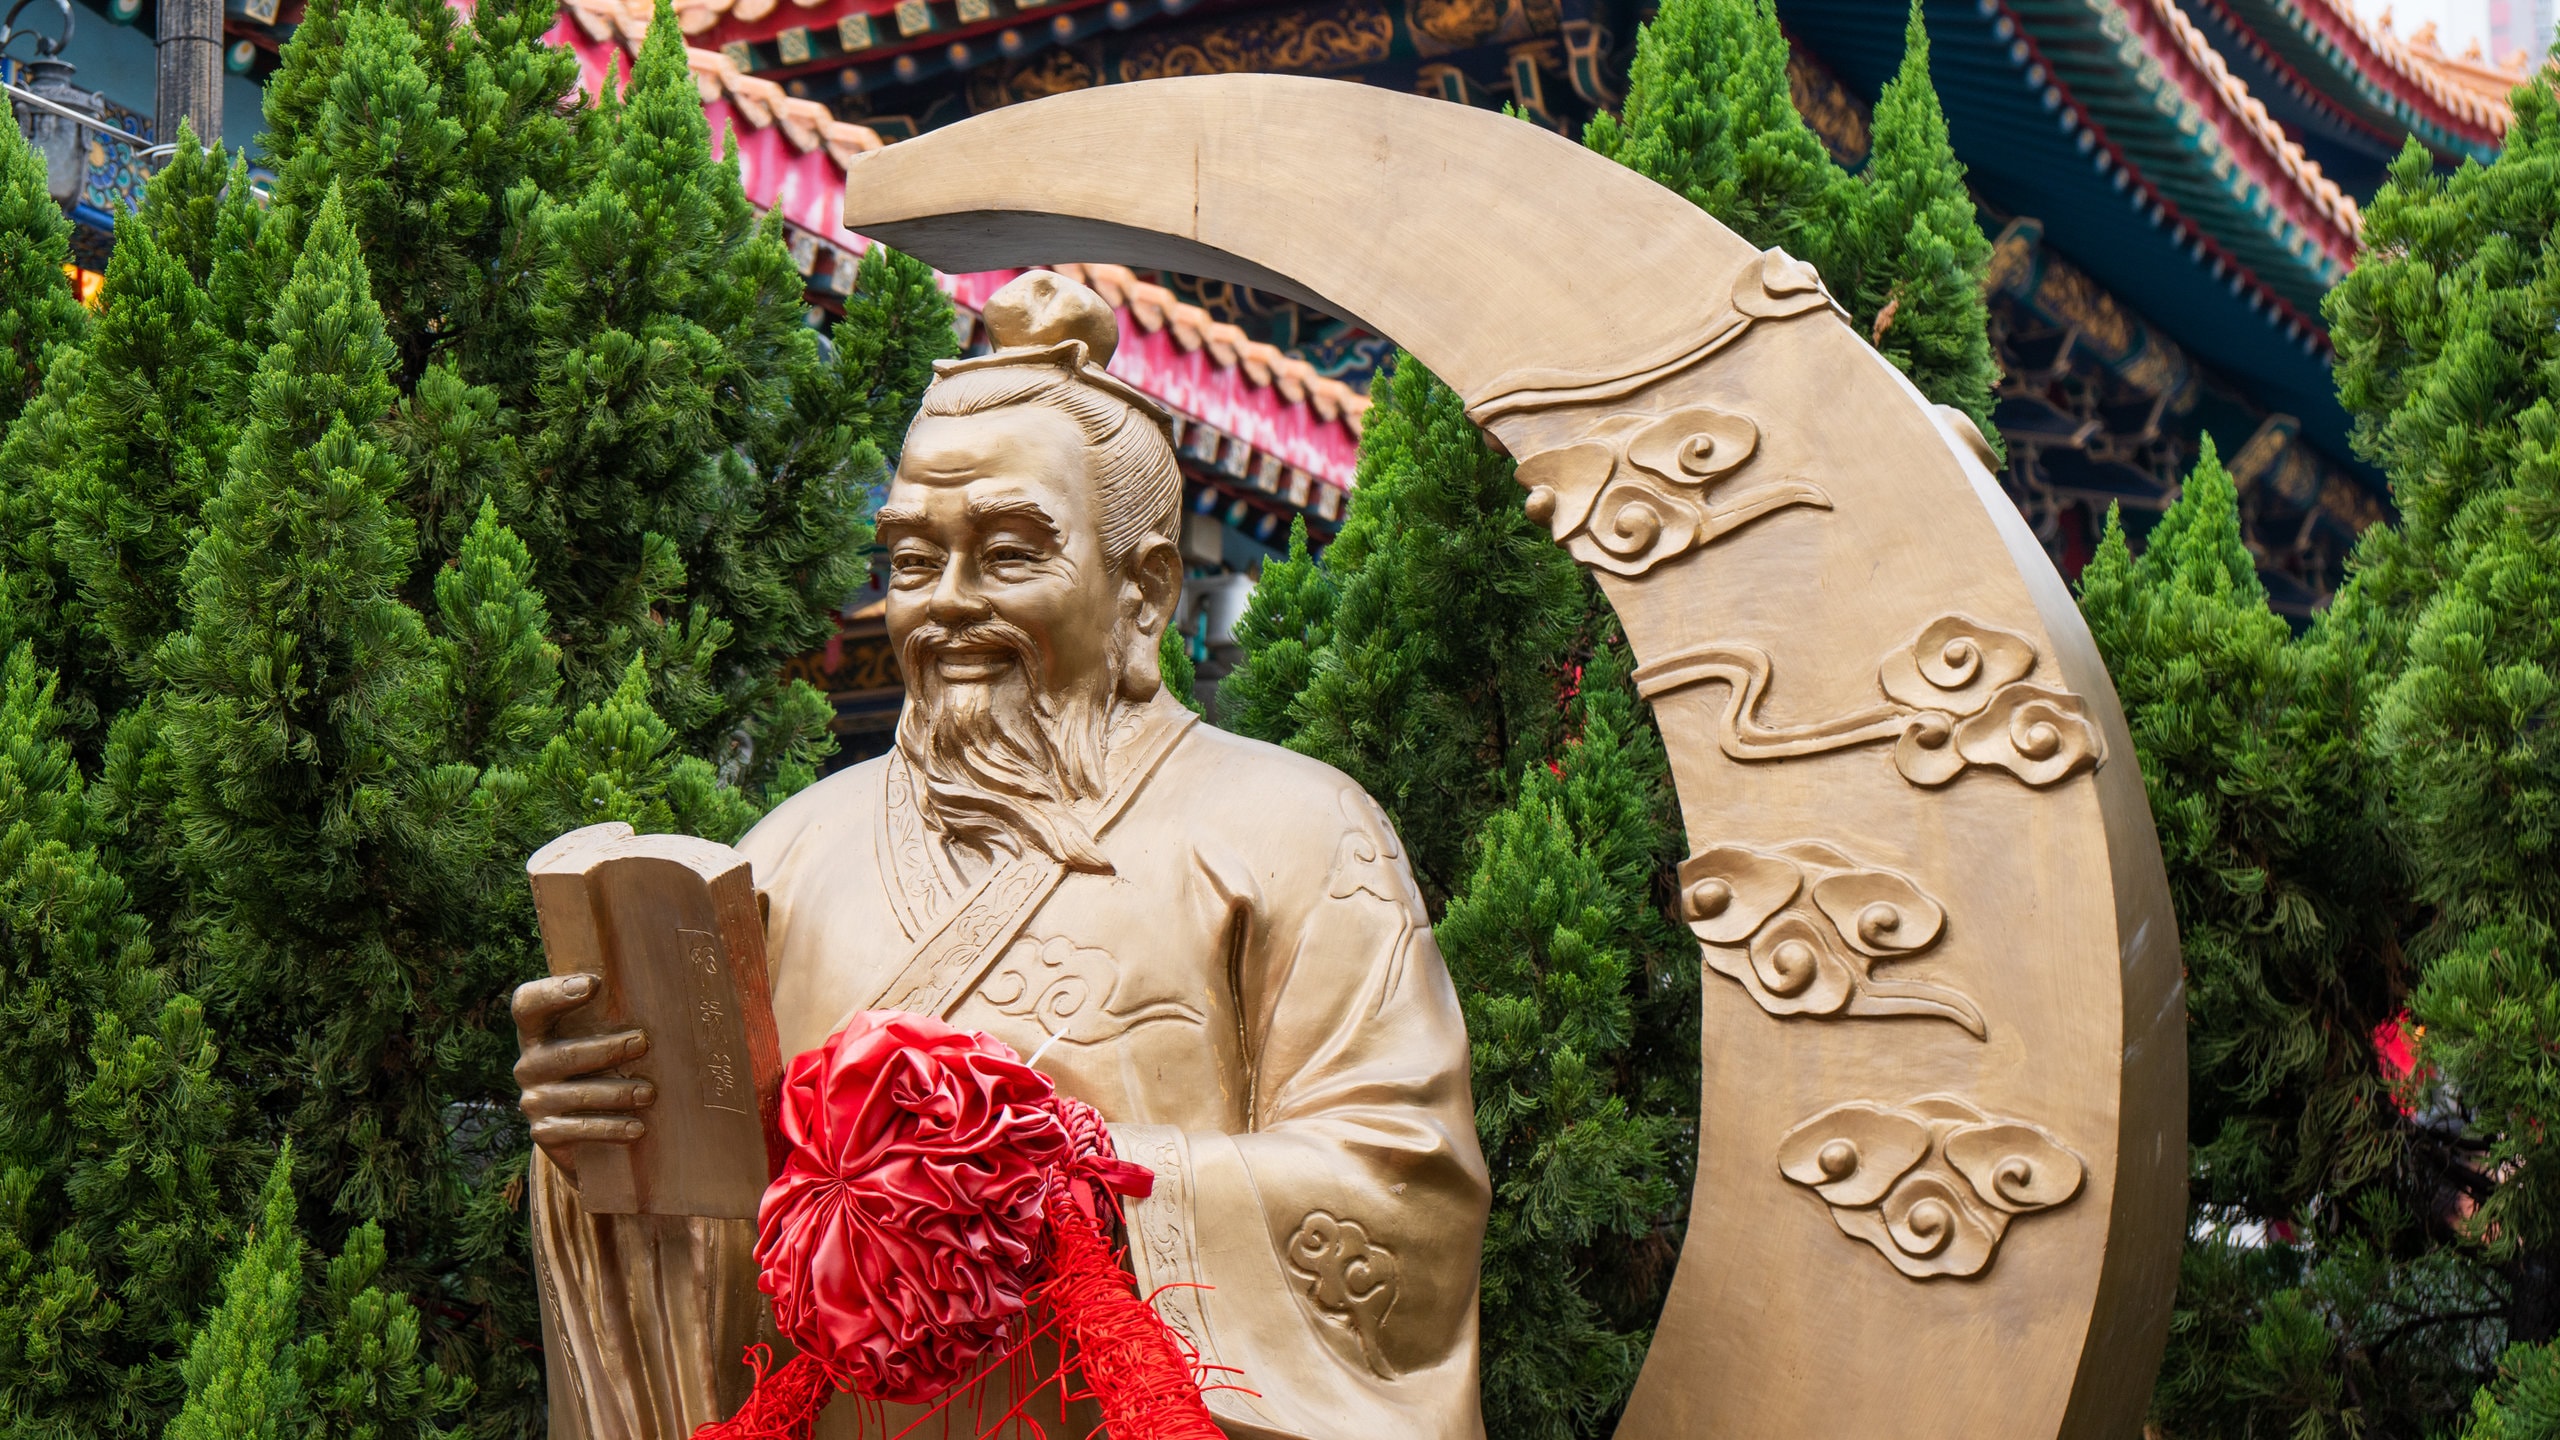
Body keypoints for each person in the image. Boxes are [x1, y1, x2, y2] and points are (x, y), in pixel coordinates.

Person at [512, 269, 1490, 1440]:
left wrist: (1076, 1177)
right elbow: (712, 1245)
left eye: (1011, 554)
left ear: (1144, 591)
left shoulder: (1294, 832)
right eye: (915, 562)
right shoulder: (791, 850)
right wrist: (603, 1154)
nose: (946, 605)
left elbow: (1404, 1190)